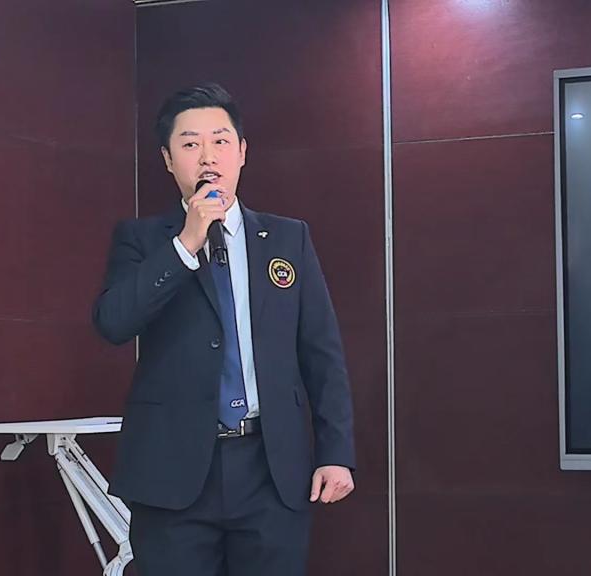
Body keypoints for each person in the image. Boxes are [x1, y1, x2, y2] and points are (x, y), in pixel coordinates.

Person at [92, 83, 355, 576]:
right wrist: (185, 244)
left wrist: (336, 451)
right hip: (172, 472)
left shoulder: (288, 238)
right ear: (168, 160)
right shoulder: (141, 239)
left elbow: (322, 353)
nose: (207, 156)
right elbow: (113, 322)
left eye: (220, 141)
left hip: (271, 467)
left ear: (242, 152)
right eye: (190, 144)